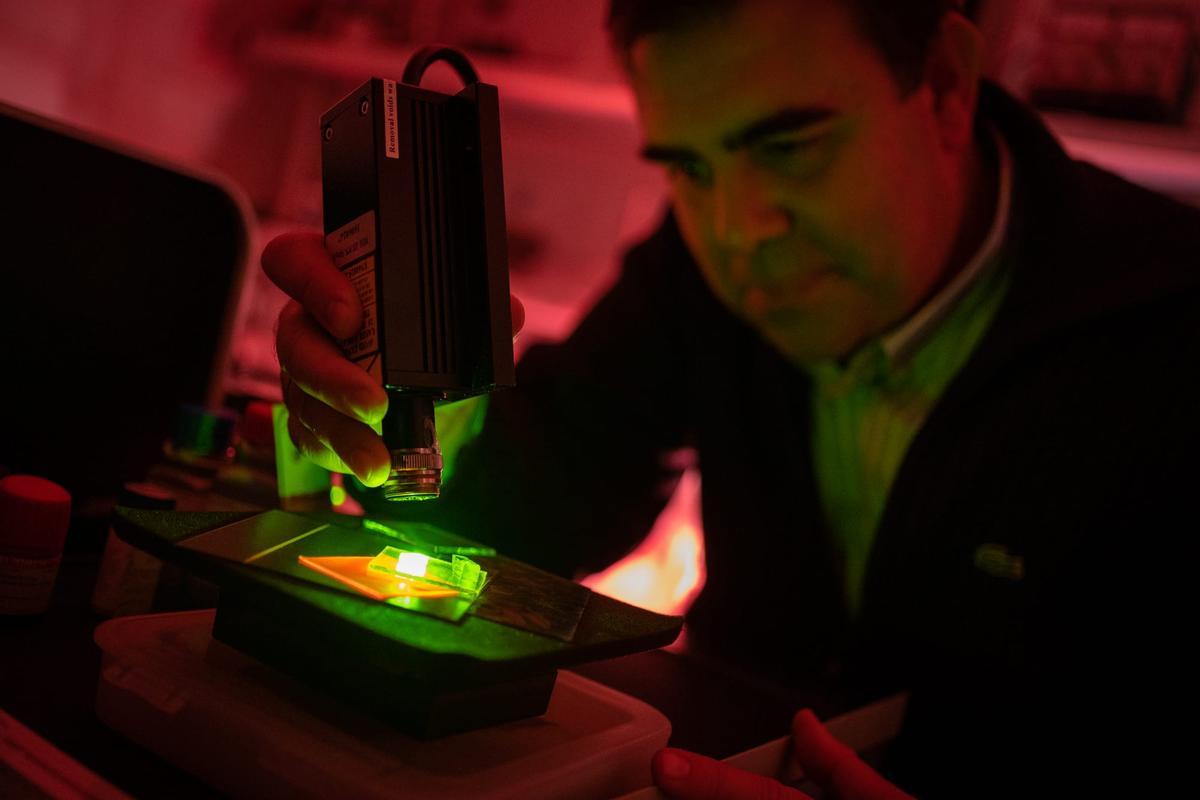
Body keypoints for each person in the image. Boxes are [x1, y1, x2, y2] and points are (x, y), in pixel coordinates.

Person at [263, 0, 1200, 796]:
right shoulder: (692, 269)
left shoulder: (1169, 331)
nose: (738, 231)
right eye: (692, 167)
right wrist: (415, 420)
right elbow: (544, 499)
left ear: (947, 85)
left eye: (791, 147)